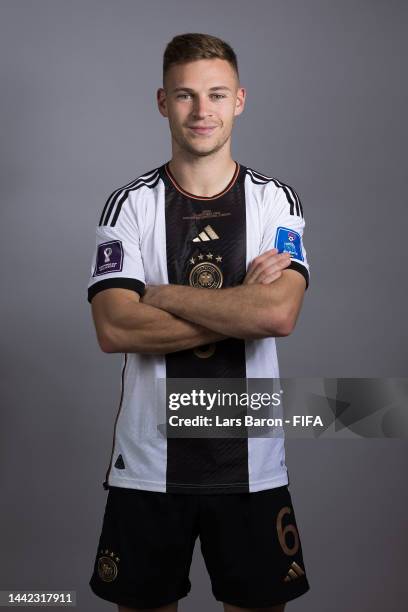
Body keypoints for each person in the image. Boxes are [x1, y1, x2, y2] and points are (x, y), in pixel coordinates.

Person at [87, 32, 311, 612]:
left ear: (240, 100)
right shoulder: (129, 205)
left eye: (216, 94)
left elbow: (279, 313)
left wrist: (158, 296)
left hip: (252, 464)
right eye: (185, 96)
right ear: (163, 102)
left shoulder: (274, 202)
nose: (201, 110)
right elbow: (115, 328)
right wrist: (242, 307)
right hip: (147, 464)